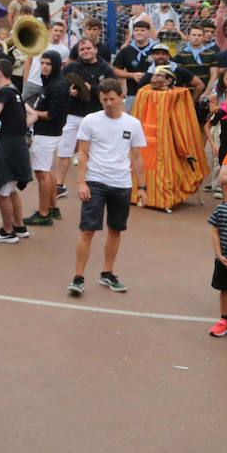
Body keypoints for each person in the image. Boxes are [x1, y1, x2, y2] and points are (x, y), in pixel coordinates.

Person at [69, 79, 147, 296]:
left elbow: (138, 157)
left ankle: (107, 273)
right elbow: (82, 153)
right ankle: (78, 277)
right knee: (88, 230)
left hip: (122, 183)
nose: (108, 103)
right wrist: (81, 182)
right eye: (104, 99)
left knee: (115, 229)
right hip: (95, 182)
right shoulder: (90, 121)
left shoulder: (132, 124)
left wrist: (143, 187)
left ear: (122, 97)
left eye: (112, 99)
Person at [131, 65, 205, 211]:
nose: (154, 79)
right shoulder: (144, 92)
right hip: (144, 139)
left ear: (169, 81)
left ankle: (163, 199)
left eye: (160, 76)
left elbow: (181, 122)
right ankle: (136, 194)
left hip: (166, 140)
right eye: (154, 75)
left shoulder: (176, 95)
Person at [56, 38, 116, 209]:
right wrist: (70, 92)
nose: (85, 51)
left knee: (96, 153)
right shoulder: (71, 67)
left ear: (95, 49)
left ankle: (96, 186)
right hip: (73, 115)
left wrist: (94, 89)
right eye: (82, 49)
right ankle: (59, 185)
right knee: (64, 150)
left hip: (96, 116)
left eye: (88, 48)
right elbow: (59, 87)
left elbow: (113, 90)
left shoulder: (105, 69)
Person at [0, 60, 33, 243]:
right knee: (11, 190)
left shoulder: (3, 92)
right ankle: (19, 227)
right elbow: (32, 115)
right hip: (18, 143)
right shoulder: (15, 91)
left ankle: (7, 231)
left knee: (3, 190)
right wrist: (17, 128)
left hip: (8, 146)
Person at [23, 51, 69, 227]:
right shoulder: (51, 82)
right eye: (42, 63)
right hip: (45, 132)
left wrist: (31, 112)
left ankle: (43, 213)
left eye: (48, 63)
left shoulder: (58, 85)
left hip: (47, 133)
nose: (44, 66)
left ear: (56, 65)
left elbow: (53, 114)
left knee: (42, 173)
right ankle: (52, 207)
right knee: (47, 171)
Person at [112, 19, 161, 108]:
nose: (139, 33)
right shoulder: (126, 51)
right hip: (133, 94)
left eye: (142, 30)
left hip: (156, 93)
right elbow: (116, 70)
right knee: (133, 120)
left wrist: (153, 76)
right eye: (136, 30)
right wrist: (132, 75)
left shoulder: (158, 49)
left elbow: (169, 67)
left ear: (149, 32)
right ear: (133, 33)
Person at [207, 194, 227, 337]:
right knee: (225, 288)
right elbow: (215, 233)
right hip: (224, 259)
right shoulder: (221, 209)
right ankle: (225, 321)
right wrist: (219, 255)